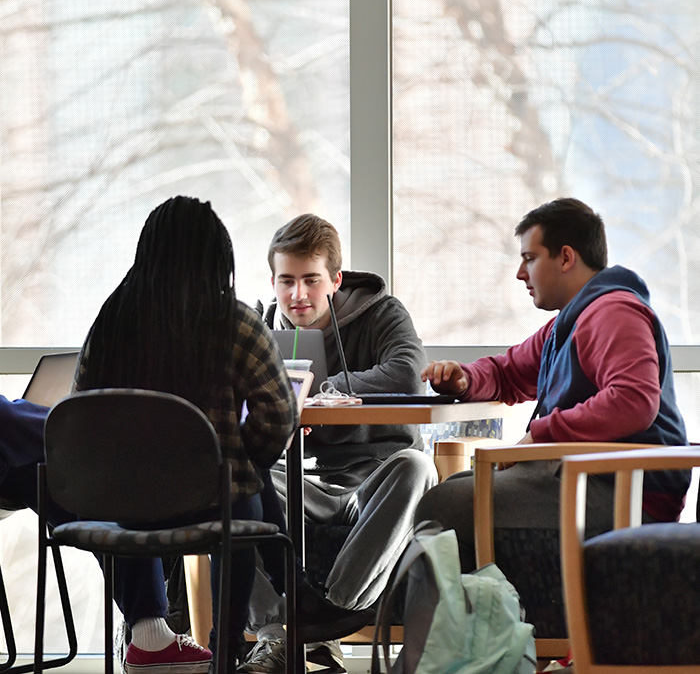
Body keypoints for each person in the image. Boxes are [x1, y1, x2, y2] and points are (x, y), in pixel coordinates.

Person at [72, 197, 299, 671]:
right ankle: (229, 642)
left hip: (122, 508)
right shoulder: (236, 321)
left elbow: (82, 422)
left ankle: (148, 635)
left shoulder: (108, 326)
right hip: (215, 504)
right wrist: (244, 457)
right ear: (217, 260)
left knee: (138, 494)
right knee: (247, 494)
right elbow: (278, 420)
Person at [415, 197, 690, 578]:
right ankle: (478, 630)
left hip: (626, 492)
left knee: (443, 505)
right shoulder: (568, 322)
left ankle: (462, 634)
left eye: (529, 258)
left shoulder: (613, 312)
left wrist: (540, 435)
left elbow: (633, 400)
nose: (519, 273)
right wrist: (464, 378)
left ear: (565, 257)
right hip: (584, 478)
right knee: (457, 490)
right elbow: (508, 372)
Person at [240, 213, 438, 674]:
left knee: (417, 468)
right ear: (272, 280)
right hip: (307, 480)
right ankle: (277, 634)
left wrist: (318, 392)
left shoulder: (382, 312)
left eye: (311, 280)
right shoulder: (263, 328)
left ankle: (334, 612)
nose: (298, 295)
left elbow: (407, 373)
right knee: (228, 480)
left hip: (378, 478)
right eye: (286, 281)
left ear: (336, 280)